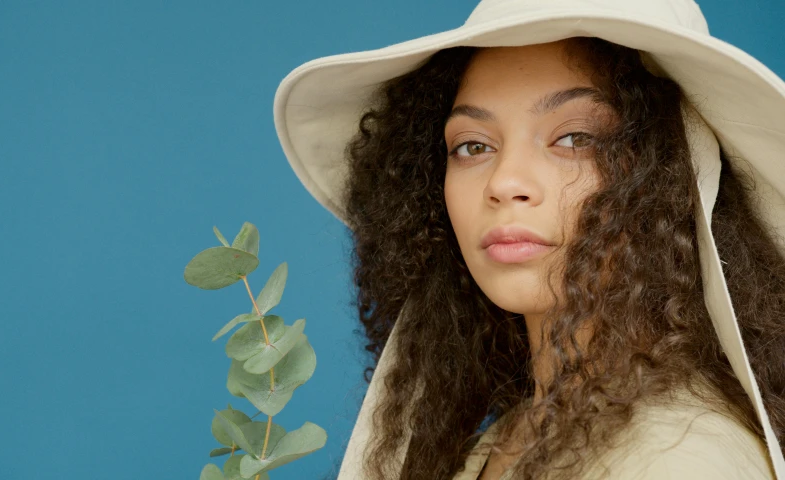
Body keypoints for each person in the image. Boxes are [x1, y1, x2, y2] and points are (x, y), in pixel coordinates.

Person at [273, 1, 785, 479]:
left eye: (575, 138)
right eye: (473, 146)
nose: (503, 183)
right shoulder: (501, 442)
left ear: (668, 175)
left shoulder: (684, 460)